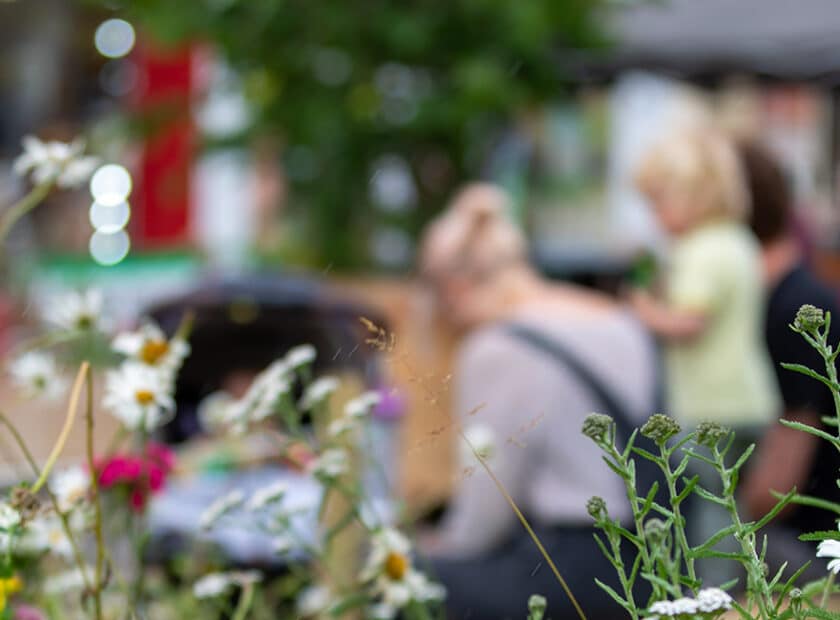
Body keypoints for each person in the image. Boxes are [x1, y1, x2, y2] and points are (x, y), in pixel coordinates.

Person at [418, 183, 659, 619]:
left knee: (409, 583)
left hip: (570, 567)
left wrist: (436, 548)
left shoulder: (499, 345)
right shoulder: (618, 319)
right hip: (650, 561)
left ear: (453, 288)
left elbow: (487, 502)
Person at [630, 126, 780, 432]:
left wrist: (644, 311)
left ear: (692, 196)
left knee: (692, 480)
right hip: (751, 400)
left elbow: (691, 322)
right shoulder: (740, 239)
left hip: (708, 407)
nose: (653, 217)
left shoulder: (698, 249)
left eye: (657, 202)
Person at [737, 141, 840, 576]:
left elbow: (780, 485)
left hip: (808, 552)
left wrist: (722, 521)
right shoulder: (782, 296)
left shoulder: (792, 308)